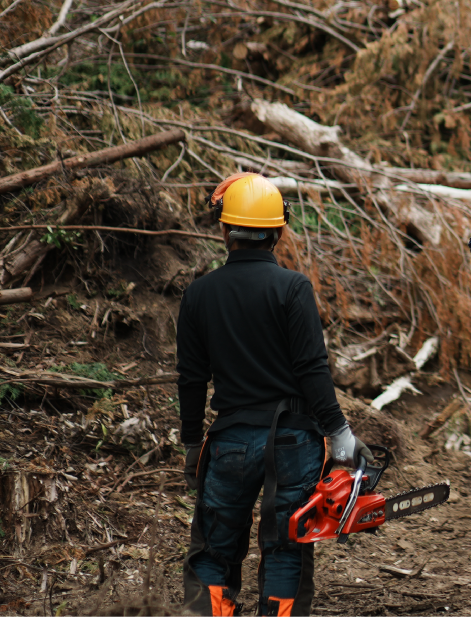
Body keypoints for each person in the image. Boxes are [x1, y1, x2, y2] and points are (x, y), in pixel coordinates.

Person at [179, 173, 369, 617]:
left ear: (225, 230)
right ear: (279, 231)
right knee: (286, 546)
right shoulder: (292, 287)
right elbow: (311, 369)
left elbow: (190, 377)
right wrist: (339, 433)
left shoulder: (199, 294)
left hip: (227, 440)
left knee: (213, 549)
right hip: (292, 440)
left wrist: (191, 443)